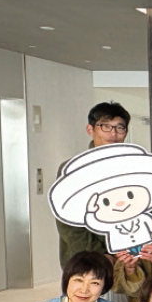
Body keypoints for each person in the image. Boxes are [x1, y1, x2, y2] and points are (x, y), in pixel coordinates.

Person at [56, 102, 131, 265]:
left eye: (120, 127)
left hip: (129, 257)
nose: (113, 133)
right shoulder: (72, 169)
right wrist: (99, 254)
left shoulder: (134, 167)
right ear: (90, 130)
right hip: (86, 257)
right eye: (105, 126)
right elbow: (68, 223)